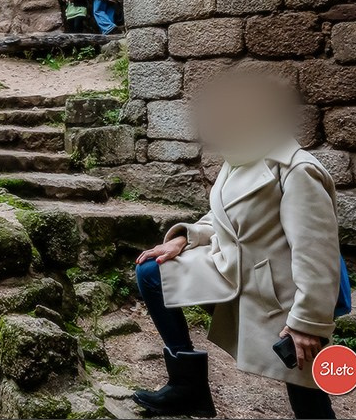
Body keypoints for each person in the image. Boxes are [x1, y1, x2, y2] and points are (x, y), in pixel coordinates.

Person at [132, 72, 341, 420]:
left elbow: (317, 253)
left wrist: (308, 322)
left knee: (304, 388)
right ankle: (187, 387)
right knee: (152, 272)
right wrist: (185, 238)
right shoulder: (242, 156)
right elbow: (224, 216)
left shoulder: (298, 170)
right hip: (230, 269)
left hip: (276, 293)